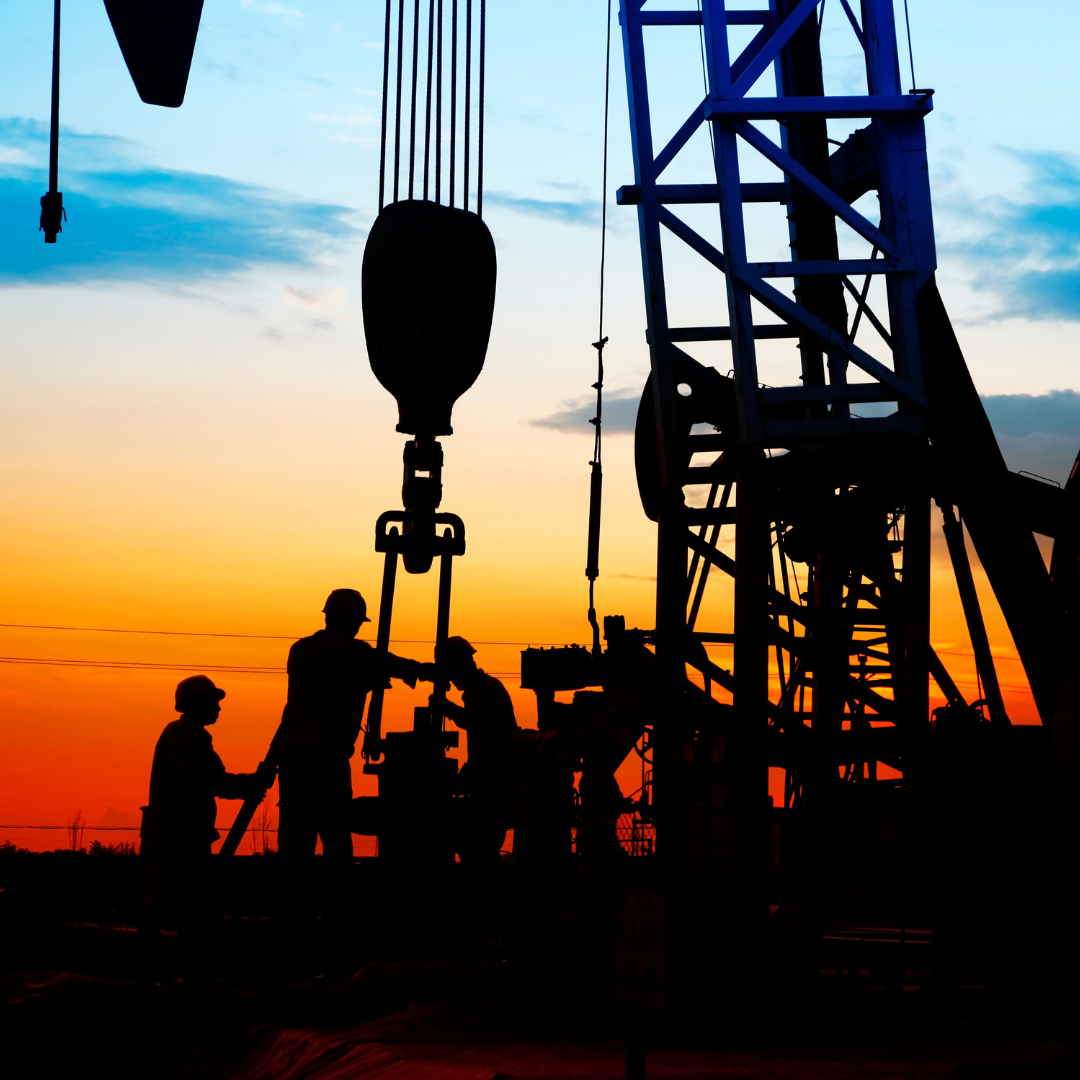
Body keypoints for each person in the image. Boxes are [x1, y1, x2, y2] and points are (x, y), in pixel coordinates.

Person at [275, 588, 436, 862]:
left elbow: (324, 690)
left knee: (296, 831)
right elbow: (388, 663)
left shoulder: (301, 649)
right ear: (353, 622)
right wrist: (425, 670)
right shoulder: (354, 651)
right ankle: (340, 893)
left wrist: (361, 685)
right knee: (335, 829)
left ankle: (293, 894)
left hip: (291, 753)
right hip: (327, 755)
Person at [138, 675, 270, 978]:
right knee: (161, 900)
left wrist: (248, 783)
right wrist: (244, 787)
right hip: (174, 834)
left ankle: (187, 968)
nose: (218, 709)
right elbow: (191, 781)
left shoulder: (198, 738)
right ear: (196, 703)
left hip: (191, 834)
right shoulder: (178, 734)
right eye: (214, 702)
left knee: (194, 905)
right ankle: (147, 969)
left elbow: (217, 779)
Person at [433, 636, 519, 867]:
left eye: (450, 673)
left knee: (478, 847)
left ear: (457, 666)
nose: (451, 680)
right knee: (478, 847)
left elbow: (482, 727)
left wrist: (448, 709)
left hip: (496, 778)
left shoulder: (483, 690)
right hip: (493, 775)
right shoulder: (483, 688)